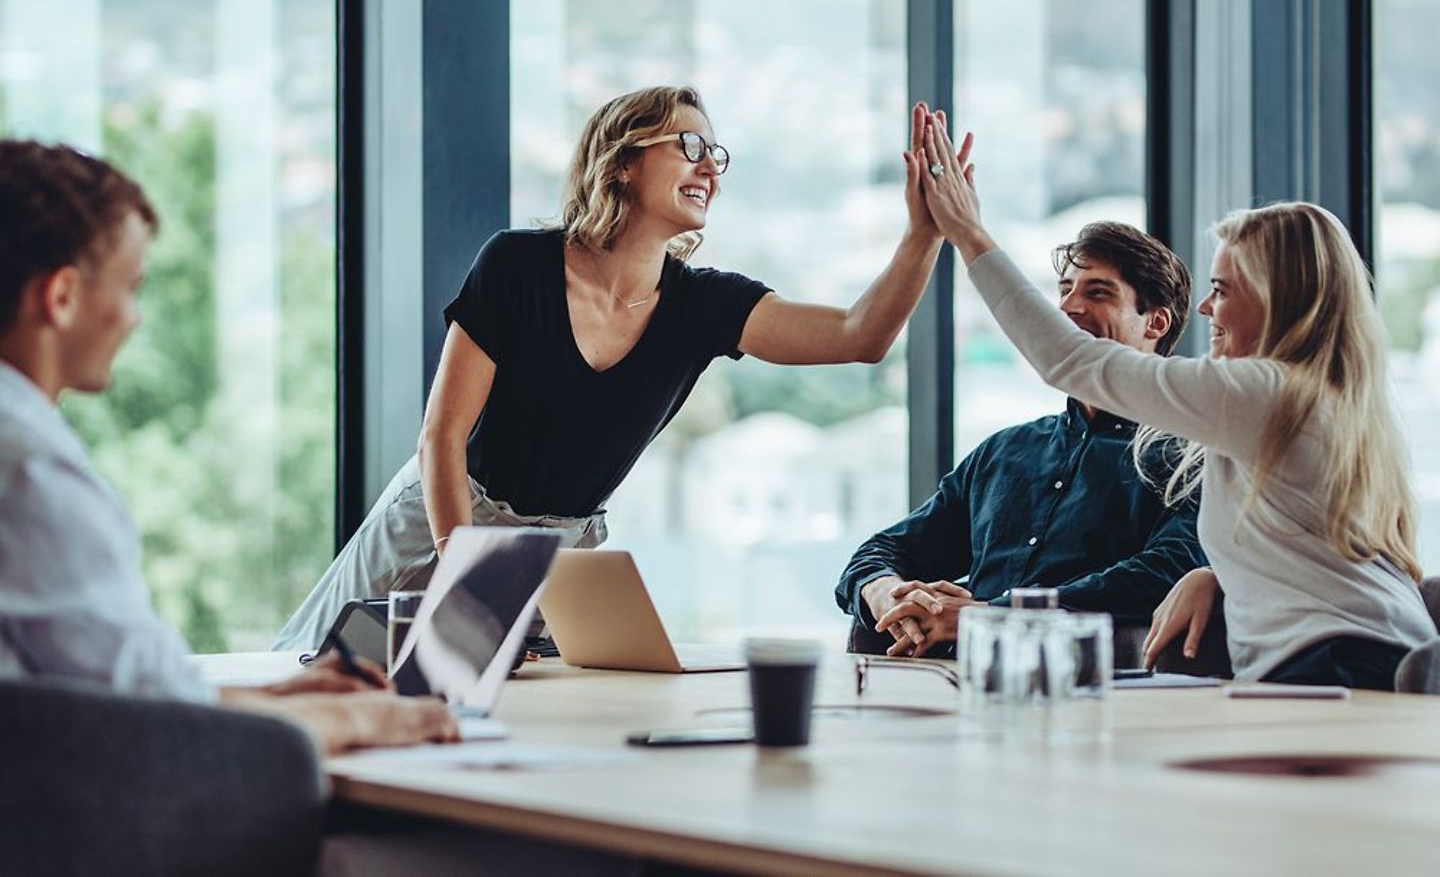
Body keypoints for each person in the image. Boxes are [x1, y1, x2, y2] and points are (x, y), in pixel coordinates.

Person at [276, 86, 950, 650]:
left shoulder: (703, 305)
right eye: (688, 145)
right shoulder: (516, 265)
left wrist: (924, 234)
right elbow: (441, 439)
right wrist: (469, 573)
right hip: (441, 523)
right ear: (623, 162)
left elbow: (861, 336)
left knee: (504, 732)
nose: (710, 167)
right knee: (320, 680)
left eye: (715, 154)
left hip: (559, 561)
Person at [915, 106, 1437, 689]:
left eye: (1222, 290)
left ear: (1278, 298)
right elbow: (1310, 547)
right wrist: (1216, 575)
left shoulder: (1270, 393)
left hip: (1338, 666)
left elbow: (1070, 360)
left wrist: (968, 234)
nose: (1207, 309)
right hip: (1373, 656)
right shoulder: (1327, 400)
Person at [0, 139, 457, 752]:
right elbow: (159, 725)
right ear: (60, 297)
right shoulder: (29, 468)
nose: (134, 318)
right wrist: (367, 720)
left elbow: (110, 686)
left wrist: (274, 697)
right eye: (130, 288)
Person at [836, 222, 1207, 658]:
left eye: (1098, 292)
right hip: (954, 686)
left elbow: (1169, 569)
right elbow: (883, 551)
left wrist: (994, 615)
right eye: (1065, 290)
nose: (1068, 307)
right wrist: (886, 593)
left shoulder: (1190, 456)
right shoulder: (1004, 451)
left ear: (1155, 322)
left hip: (1094, 690)